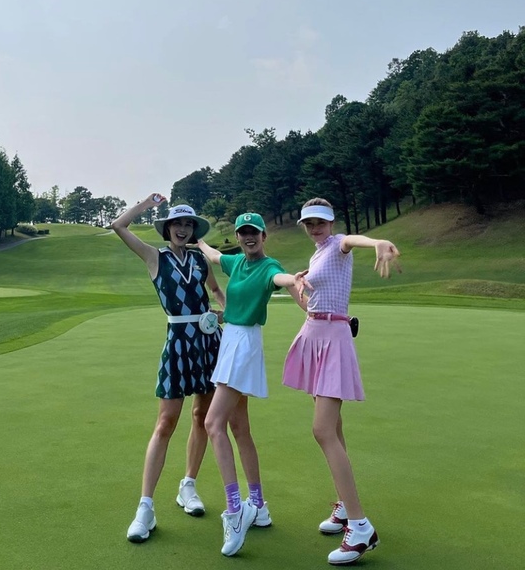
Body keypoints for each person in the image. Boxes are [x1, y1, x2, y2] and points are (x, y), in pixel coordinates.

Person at [282, 198, 402, 566]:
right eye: (309, 223)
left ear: (331, 223)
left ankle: (361, 525)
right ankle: (346, 509)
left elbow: (354, 240)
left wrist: (378, 243)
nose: (315, 227)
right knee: (334, 427)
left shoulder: (337, 245)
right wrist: (297, 286)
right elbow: (313, 303)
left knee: (322, 431)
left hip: (333, 339)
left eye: (321, 222)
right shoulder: (317, 256)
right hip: (314, 334)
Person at [111, 195, 227, 544]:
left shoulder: (199, 259)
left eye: (188, 224)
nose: (182, 228)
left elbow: (217, 292)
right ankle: (145, 508)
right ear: (167, 228)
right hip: (177, 342)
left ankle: (188, 486)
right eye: (177, 224)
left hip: (208, 342)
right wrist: (147, 203)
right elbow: (118, 226)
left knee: (202, 417)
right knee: (165, 424)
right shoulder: (154, 257)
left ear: (193, 230)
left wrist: (230, 314)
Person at [197, 211, 303, 557]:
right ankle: (258, 504)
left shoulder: (268, 265)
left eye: (254, 233)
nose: (248, 237)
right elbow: (213, 254)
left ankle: (235, 510)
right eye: (243, 233)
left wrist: (295, 281)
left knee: (213, 423)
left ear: (264, 235)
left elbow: (280, 278)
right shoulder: (236, 262)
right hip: (232, 340)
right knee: (239, 427)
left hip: (243, 347)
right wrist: (192, 236)